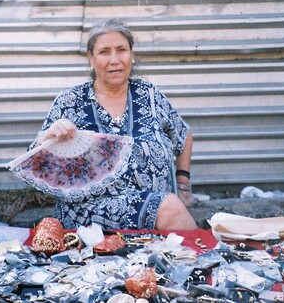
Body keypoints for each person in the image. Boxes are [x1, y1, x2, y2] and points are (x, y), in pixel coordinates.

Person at [28, 19, 196, 231]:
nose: (114, 60)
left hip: (157, 210)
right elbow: (31, 162)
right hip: (89, 213)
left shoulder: (149, 95)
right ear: (91, 58)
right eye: (104, 52)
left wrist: (183, 185)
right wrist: (49, 137)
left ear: (132, 55)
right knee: (171, 209)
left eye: (121, 50)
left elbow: (184, 135)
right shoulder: (70, 101)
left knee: (169, 208)